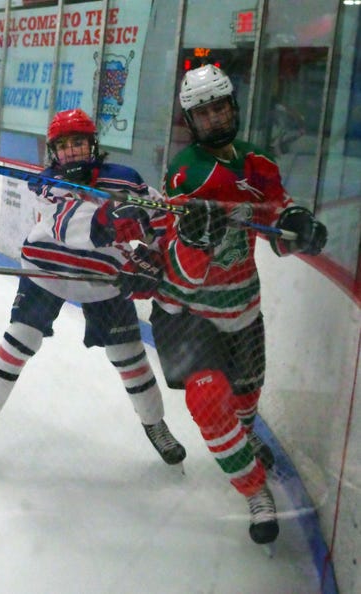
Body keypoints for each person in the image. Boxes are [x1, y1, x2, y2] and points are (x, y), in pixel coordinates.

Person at [148, 64, 327, 546]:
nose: (213, 118)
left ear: (234, 106)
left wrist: (298, 227)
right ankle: (255, 492)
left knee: (244, 407)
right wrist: (194, 239)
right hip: (188, 314)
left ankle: (244, 442)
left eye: (220, 107)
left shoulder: (260, 163)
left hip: (243, 308)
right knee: (208, 402)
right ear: (191, 119)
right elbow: (180, 273)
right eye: (202, 113)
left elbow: (277, 227)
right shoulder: (186, 172)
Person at [0, 108, 186, 469]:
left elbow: (161, 219)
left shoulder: (126, 181)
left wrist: (153, 259)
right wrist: (108, 219)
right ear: (53, 152)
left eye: (79, 142)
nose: (73, 151)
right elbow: (65, 226)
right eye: (64, 146)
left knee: (130, 357)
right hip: (46, 273)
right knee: (18, 341)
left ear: (92, 144)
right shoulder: (46, 184)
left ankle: (156, 426)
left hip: (103, 282)